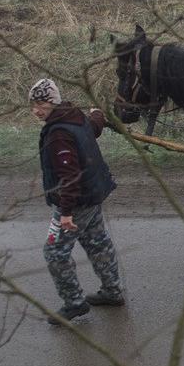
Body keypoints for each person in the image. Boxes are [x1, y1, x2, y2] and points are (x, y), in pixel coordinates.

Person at [31, 77, 125, 324]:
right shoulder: (76, 116)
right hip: (93, 196)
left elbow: (69, 177)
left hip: (76, 202)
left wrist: (65, 213)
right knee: (98, 243)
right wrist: (97, 114)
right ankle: (113, 291)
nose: (36, 110)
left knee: (54, 252)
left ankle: (74, 303)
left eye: (41, 103)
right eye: (33, 104)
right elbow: (94, 126)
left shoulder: (58, 134)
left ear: (53, 103)